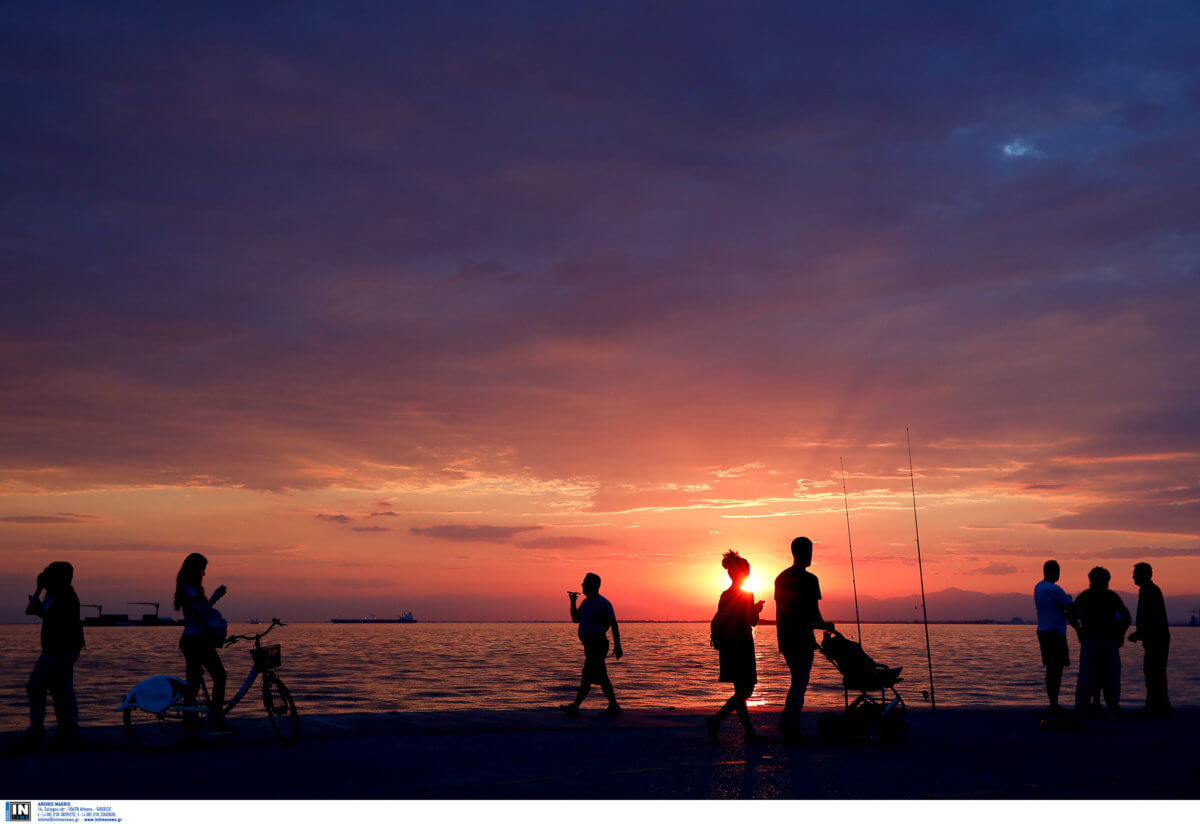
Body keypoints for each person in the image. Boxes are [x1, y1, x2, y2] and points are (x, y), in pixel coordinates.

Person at [774, 536, 834, 743]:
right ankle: (791, 728)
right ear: (799, 553)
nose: (810, 555)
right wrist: (824, 626)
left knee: (797, 682)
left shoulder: (781, 578)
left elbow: (783, 612)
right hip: (801, 639)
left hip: (787, 639)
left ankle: (787, 722)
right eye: (808, 551)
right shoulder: (810, 580)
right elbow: (813, 612)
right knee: (800, 683)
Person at [22, 562, 85, 750]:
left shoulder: (65, 595)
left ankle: (40, 732)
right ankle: (66, 732)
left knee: (37, 687)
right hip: (56, 650)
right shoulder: (54, 594)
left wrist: (40, 591)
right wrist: (39, 591)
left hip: (59, 651)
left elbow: (54, 618)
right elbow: (38, 612)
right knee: (60, 692)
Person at [706, 550, 767, 744]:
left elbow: (725, 619)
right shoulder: (746, 595)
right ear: (744, 573)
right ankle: (716, 719)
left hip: (728, 646)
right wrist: (756, 610)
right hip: (742, 645)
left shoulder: (724, 595)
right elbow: (751, 621)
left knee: (740, 689)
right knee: (746, 690)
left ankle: (749, 732)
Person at [175, 552, 234, 735]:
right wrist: (215, 598)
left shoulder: (190, 590)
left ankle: (190, 729)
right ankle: (215, 719)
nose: (204, 574)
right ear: (195, 570)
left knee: (193, 685)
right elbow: (200, 616)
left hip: (194, 641)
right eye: (203, 569)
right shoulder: (190, 591)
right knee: (219, 676)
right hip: (196, 642)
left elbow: (202, 614)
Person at [1068, 566, 1131, 717]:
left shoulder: (1085, 596)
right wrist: (1120, 634)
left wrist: (1079, 630)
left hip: (1090, 640)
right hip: (1108, 640)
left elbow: (1071, 614)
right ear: (1107, 581)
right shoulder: (1112, 596)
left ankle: (1083, 706)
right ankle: (1112, 705)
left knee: (1087, 674)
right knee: (1110, 675)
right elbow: (1126, 617)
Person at [561, 572, 623, 717]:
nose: (582, 585)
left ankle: (576, 707)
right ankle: (612, 705)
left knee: (589, 675)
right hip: (589, 645)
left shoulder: (603, 603)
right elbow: (576, 619)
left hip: (598, 644)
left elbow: (614, 624)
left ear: (593, 585)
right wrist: (572, 602)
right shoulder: (586, 602)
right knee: (597, 676)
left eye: (585, 583)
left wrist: (618, 646)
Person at [1128, 562, 1171, 718]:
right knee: (1155, 672)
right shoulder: (1149, 590)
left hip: (1156, 639)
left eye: (1135, 574)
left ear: (1144, 575)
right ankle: (1158, 705)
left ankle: (1155, 707)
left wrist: (1139, 633)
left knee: (1154, 672)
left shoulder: (1149, 591)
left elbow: (1152, 617)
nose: (1133, 577)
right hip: (1156, 638)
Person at [1033, 560, 1073, 713]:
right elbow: (1070, 606)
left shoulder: (1038, 587)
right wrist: (1068, 598)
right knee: (1056, 669)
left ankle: (1053, 702)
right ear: (1056, 572)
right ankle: (1054, 704)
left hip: (1043, 630)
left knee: (1051, 668)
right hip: (1055, 632)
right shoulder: (1055, 589)